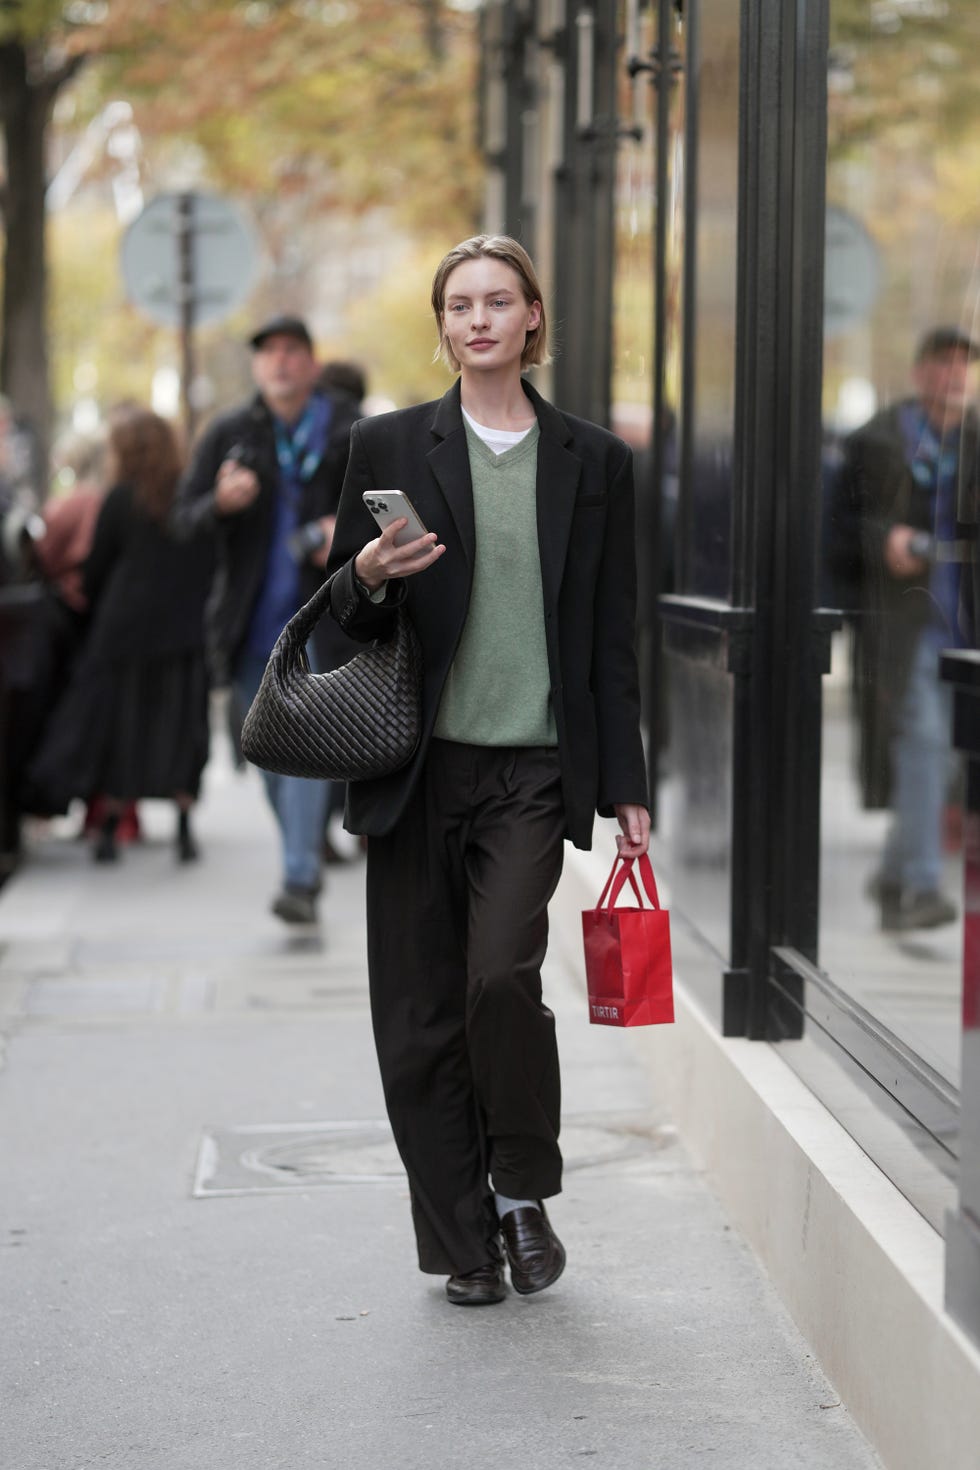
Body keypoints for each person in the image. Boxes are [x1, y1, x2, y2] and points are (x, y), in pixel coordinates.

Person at [325, 234, 650, 1306]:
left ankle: (518, 1187)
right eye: (458, 303)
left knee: (500, 980)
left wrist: (626, 783)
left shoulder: (592, 462)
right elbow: (340, 619)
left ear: (531, 321)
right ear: (441, 326)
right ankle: (463, 1242)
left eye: (496, 301)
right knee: (418, 1013)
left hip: (532, 770)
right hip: (417, 767)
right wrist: (368, 574)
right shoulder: (385, 446)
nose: (476, 319)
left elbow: (611, 633)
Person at [173, 315, 360, 925]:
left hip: (328, 619)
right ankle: (301, 856)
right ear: (257, 366)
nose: (279, 362)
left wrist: (346, 534)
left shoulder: (349, 427)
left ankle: (300, 876)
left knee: (306, 746)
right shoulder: (230, 431)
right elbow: (183, 522)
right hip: (252, 623)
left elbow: (393, 510)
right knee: (268, 754)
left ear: (310, 361)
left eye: (291, 351)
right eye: (268, 353)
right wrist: (220, 506)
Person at [829, 327, 980, 931]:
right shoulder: (879, 440)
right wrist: (882, 539)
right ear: (920, 373)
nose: (954, 376)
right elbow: (837, 531)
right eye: (943, 364)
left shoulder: (974, 441)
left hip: (962, 625)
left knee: (942, 758)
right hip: (904, 620)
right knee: (924, 740)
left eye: (964, 366)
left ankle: (893, 876)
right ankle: (918, 885)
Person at [26, 407, 213, 862]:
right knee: (180, 727)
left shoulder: (119, 499)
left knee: (122, 731)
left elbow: (95, 569)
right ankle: (184, 827)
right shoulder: (191, 498)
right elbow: (211, 563)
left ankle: (110, 828)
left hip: (123, 631)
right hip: (184, 632)